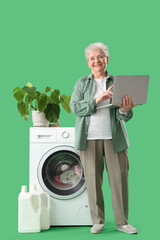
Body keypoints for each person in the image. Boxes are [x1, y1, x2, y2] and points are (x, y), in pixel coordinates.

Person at [70, 42, 137, 234]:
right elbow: (75, 108)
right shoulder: (82, 83)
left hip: (114, 139)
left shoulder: (119, 82)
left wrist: (125, 108)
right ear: (88, 63)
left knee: (120, 179)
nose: (96, 60)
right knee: (92, 180)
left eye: (100, 56)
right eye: (92, 58)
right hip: (88, 139)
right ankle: (97, 220)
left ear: (107, 59)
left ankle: (122, 222)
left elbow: (123, 116)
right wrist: (98, 99)